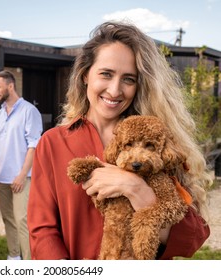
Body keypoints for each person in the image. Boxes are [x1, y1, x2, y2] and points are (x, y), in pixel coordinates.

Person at [27, 21, 211, 260]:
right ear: (85, 75)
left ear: (139, 85)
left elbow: (193, 239)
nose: (115, 90)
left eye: (128, 79)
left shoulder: (157, 143)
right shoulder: (53, 143)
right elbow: (42, 232)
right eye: (106, 74)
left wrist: (137, 190)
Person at [0, 70, 43, 260]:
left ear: (10, 86)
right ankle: (14, 257)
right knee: (8, 219)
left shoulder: (29, 111)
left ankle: (29, 261)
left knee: (22, 220)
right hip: (1, 176)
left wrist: (22, 174)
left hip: (22, 177)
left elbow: (34, 145)